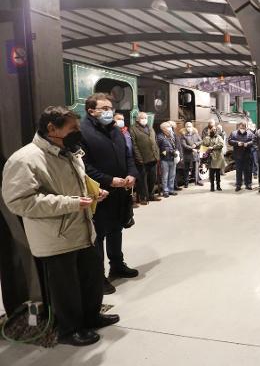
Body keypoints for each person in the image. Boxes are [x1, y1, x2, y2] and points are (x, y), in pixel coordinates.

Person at [2, 106, 118, 346]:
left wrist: (94, 191)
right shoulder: (24, 159)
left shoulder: (69, 152)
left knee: (91, 277)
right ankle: (69, 329)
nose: (79, 131)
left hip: (83, 229)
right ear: (51, 129)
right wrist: (71, 203)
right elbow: (18, 202)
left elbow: (78, 182)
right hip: (56, 236)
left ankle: (91, 316)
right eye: (73, 128)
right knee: (66, 288)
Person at [80, 93, 140, 295]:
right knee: (98, 235)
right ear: (91, 111)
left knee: (116, 229)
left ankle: (117, 264)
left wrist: (132, 173)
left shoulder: (116, 131)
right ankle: (98, 276)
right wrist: (108, 180)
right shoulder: (83, 132)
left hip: (120, 191)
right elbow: (83, 166)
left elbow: (128, 155)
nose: (109, 111)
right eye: (104, 108)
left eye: (110, 108)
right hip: (100, 193)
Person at [129, 112, 161, 204]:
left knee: (152, 178)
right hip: (142, 159)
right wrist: (139, 158)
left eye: (146, 118)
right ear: (138, 119)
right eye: (143, 118)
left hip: (153, 158)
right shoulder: (133, 129)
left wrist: (157, 154)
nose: (145, 119)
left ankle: (151, 195)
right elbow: (134, 145)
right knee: (142, 180)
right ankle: (143, 197)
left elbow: (155, 141)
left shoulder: (150, 127)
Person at [228, 121, 255, 191]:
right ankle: (238, 185)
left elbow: (254, 141)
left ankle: (248, 184)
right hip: (238, 155)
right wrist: (237, 143)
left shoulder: (250, 133)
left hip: (247, 155)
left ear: (246, 127)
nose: (242, 127)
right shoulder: (234, 133)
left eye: (244, 126)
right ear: (239, 126)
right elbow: (229, 141)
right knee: (238, 171)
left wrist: (248, 144)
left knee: (248, 171)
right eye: (241, 126)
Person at [157, 122, 178, 198]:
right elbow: (158, 148)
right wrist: (167, 151)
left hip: (173, 159)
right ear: (163, 128)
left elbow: (175, 145)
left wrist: (175, 151)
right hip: (164, 160)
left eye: (170, 126)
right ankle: (165, 191)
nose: (170, 128)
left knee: (172, 175)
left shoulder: (171, 135)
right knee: (165, 176)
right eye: (168, 126)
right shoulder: (160, 137)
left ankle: (171, 190)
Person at [180, 122, 203, 188]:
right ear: (185, 127)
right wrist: (192, 149)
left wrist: (196, 144)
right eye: (187, 126)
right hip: (187, 154)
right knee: (186, 169)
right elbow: (184, 145)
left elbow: (201, 141)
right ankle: (186, 183)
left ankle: (197, 181)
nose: (188, 127)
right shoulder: (183, 135)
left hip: (195, 154)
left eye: (190, 126)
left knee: (196, 168)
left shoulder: (195, 134)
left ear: (192, 127)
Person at [202, 126, 225, 191]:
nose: (214, 131)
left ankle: (218, 186)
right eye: (212, 129)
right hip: (210, 158)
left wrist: (212, 147)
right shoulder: (207, 137)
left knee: (218, 173)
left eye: (215, 129)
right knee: (211, 174)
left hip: (218, 158)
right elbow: (203, 146)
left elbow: (221, 144)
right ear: (210, 130)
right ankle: (212, 186)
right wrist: (206, 149)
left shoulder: (219, 137)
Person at [168, 120, 183, 191]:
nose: (172, 128)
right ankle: (171, 187)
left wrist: (181, 155)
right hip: (171, 155)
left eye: (172, 126)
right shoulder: (167, 135)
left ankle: (175, 185)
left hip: (176, 155)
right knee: (171, 172)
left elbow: (179, 145)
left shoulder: (174, 134)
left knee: (175, 171)